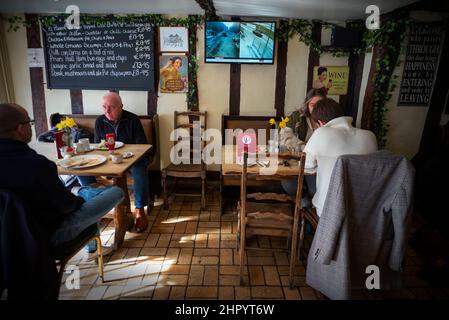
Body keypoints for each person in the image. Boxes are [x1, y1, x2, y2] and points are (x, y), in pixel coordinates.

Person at [0, 103, 123, 257]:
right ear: (20, 128)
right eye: (30, 123)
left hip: (9, 241)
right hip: (48, 237)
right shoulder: (37, 166)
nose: (31, 127)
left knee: (87, 198)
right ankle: (82, 192)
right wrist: (79, 200)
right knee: (116, 192)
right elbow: (67, 205)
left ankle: (83, 194)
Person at [77, 92, 149, 232]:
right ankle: (97, 203)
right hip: (109, 159)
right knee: (81, 170)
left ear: (121, 106)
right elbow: (99, 146)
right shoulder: (100, 121)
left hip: (132, 158)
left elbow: (142, 145)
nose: (107, 111)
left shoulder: (132, 119)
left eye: (112, 107)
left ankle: (140, 210)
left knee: (140, 168)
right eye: (104, 107)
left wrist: (125, 154)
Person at [302, 98, 378, 216]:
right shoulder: (370, 136)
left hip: (329, 211)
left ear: (321, 123)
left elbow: (306, 166)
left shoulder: (321, 133)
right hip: (365, 211)